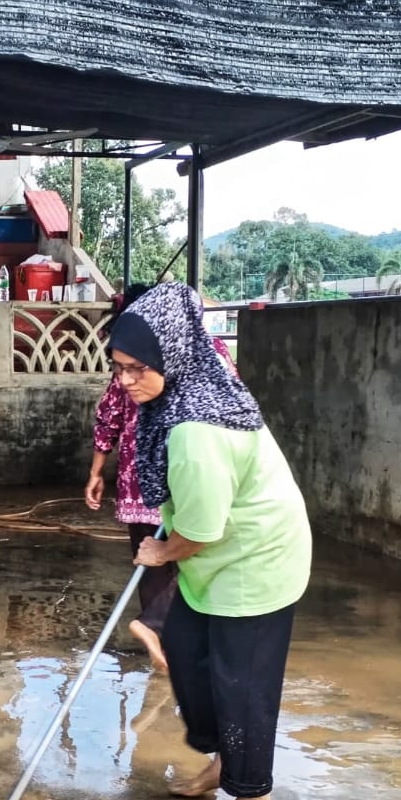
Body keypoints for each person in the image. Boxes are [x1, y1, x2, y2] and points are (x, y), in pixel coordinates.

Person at [111, 282, 311, 800]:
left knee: (241, 681)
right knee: (185, 649)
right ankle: (226, 760)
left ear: (169, 356)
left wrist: (160, 550)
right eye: (118, 367)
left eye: (134, 368)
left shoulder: (196, 431)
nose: (124, 381)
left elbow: (203, 530)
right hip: (220, 562)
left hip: (255, 560)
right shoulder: (183, 389)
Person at [86, 284, 237, 671]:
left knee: (154, 560)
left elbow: (110, 414)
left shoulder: (137, 355)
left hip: (144, 477)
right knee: (191, 553)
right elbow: (232, 407)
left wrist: (97, 471)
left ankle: (161, 634)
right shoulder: (212, 353)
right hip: (185, 477)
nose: (127, 377)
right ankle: (162, 630)